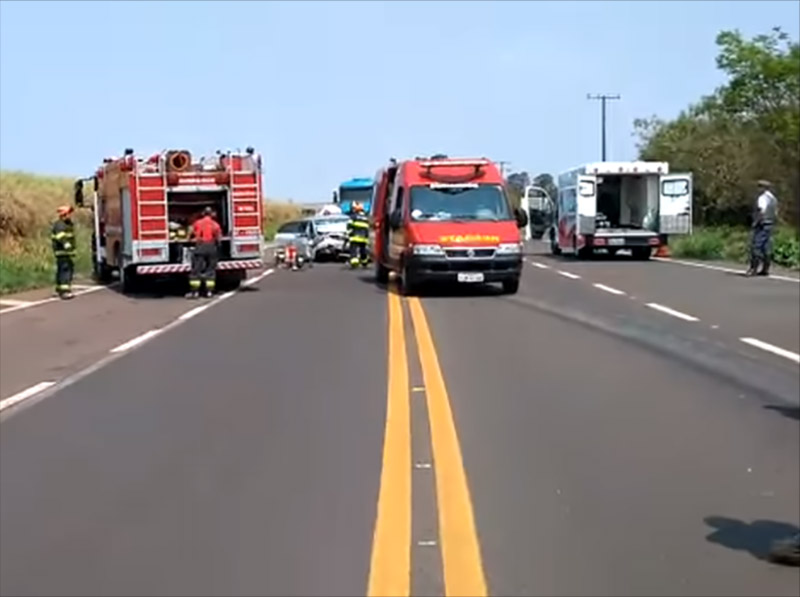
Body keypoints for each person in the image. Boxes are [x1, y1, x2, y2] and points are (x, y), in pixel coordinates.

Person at [746, 180, 778, 277]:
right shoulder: (773, 198)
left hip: (762, 224)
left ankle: (753, 268)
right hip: (770, 224)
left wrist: (756, 222)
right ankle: (765, 269)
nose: (758, 189)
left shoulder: (762, 198)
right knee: (766, 247)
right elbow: (775, 212)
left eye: (759, 187)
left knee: (756, 245)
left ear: (763, 188)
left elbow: (761, 211)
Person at [187, 207, 222, 299]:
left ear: (203, 214)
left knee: (196, 270)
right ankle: (209, 292)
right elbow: (219, 238)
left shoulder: (197, 223)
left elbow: (190, 232)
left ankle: (195, 293)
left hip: (200, 247)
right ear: (212, 214)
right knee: (210, 271)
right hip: (211, 247)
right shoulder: (215, 225)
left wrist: (189, 239)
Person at [51, 205, 76, 300]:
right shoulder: (60, 225)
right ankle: (65, 291)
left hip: (66, 252)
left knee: (62, 270)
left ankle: (59, 289)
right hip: (62, 252)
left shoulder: (67, 224)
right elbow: (60, 236)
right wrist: (66, 244)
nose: (70, 215)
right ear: (64, 214)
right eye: (69, 213)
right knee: (65, 270)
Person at [347, 201, 370, 268]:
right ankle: (364, 262)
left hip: (354, 237)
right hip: (363, 238)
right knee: (363, 250)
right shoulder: (365, 217)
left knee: (353, 250)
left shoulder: (353, 216)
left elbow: (349, 226)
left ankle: (354, 262)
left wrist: (348, 234)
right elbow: (367, 227)